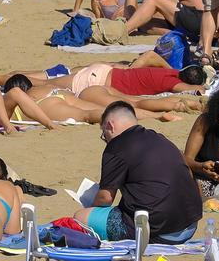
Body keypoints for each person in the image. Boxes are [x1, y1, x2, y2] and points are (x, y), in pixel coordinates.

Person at [74, 101, 201, 243]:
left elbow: (105, 198)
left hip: (158, 231)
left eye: (104, 135)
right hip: (189, 226)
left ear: (110, 126)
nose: (106, 140)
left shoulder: (116, 146)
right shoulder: (159, 138)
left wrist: (91, 207)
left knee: (80, 217)